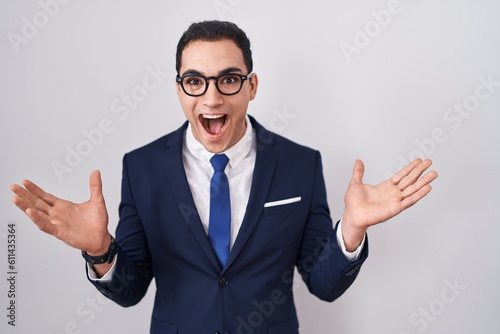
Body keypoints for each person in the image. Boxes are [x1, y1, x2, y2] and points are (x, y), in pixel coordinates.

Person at [10, 20, 438, 334]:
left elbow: (323, 285)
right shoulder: (140, 168)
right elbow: (131, 290)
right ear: (179, 89)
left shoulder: (299, 164)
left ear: (252, 85)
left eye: (228, 80)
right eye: (195, 81)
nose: (212, 98)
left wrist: (352, 231)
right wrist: (100, 249)